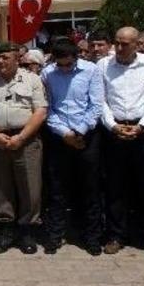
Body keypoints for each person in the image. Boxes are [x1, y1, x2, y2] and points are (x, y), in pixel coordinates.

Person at [99, 27, 144, 256]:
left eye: (125, 44)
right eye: (116, 42)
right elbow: (101, 100)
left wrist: (142, 125)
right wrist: (113, 126)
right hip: (114, 130)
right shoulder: (104, 65)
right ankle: (116, 234)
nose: (119, 47)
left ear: (137, 44)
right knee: (115, 185)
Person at [0, 43, 47, 255]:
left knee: (30, 187)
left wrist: (22, 137)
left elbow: (40, 111)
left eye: (5, 58)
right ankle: (6, 229)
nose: (0, 62)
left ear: (17, 59)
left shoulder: (32, 80)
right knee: (0, 187)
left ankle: (27, 231)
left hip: (26, 140)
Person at [41, 39, 104, 256]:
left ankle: (92, 237)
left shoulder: (91, 70)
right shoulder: (47, 73)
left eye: (69, 64)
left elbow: (96, 105)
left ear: (77, 57)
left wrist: (79, 131)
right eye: (61, 65)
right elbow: (47, 108)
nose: (65, 69)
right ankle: (55, 235)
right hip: (60, 137)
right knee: (57, 190)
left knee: (90, 188)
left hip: (86, 136)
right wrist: (65, 133)